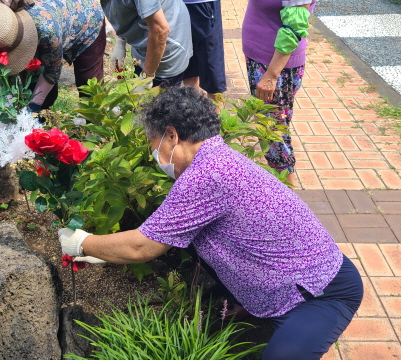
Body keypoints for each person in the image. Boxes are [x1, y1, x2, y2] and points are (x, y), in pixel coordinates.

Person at [57, 86, 363, 360]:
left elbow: (142, 246)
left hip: (320, 292)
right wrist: (100, 251)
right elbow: (168, 234)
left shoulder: (208, 175)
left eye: (155, 144)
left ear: (172, 136)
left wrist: (80, 242)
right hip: (291, 286)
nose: (155, 154)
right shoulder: (216, 159)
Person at [0, 0, 106, 113]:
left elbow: (52, 71)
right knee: (34, 84)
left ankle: (97, 130)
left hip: (87, 17)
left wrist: (34, 105)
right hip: (55, 21)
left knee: (88, 81)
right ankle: (41, 124)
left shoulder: (46, 29)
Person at [242, 0, 317, 185]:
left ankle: (287, 204)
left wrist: (271, 75)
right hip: (262, 59)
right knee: (270, 130)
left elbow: (294, 25)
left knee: (275, 134)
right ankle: (278, 194)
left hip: (275, 66)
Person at [103, 0, 193, 88]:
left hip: (165, 45)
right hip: (144, 42)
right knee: (138, 94)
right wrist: (120, 40)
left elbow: (160, 30)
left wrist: (146, 77)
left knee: (159, 100)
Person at [181, 0, 227, 104]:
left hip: (204, 5)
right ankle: (194, 113)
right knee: (188, 64)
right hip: (178, 5)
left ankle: (216, 118)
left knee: (212, 71)